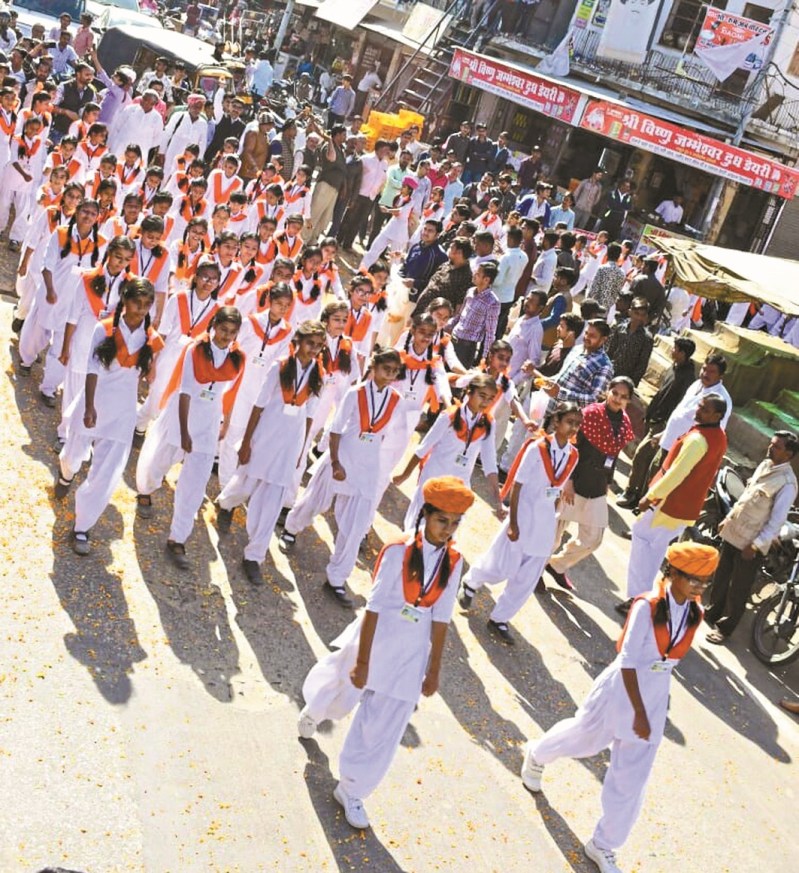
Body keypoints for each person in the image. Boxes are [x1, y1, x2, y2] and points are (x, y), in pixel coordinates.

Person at [521, 542, 720, 873]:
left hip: (655, 694)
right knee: (584, 739)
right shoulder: (647, 605)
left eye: (705, 580)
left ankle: (603, 844)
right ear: (673, 573)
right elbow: (627, 661)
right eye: (694, 578)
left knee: (632, 778)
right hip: (622, 689)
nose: (700, 586)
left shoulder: (695, 613)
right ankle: (537, 754)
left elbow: (667, 660)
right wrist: (639, 714)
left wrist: (654, 709)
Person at [297, 475, 475, 829]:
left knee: (385, 722)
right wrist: (363, 662)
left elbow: (442, 618)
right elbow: (375, 607)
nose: (448, 530)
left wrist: (433, 668)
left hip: (411, 650)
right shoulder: (398, 550)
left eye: (455, 523)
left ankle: (352, 789)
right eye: (442, 521)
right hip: (375, 638)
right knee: (340, 688)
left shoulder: (454, 562)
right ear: (425, 515)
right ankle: (313, 712)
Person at [279, 347, 407, 604]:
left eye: (394, 372)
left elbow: (389, 436)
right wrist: (335, 462)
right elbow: (336, 430)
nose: (389, 375)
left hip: (368, 465)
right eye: (386, 369)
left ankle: (337, 578)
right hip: (343, 456)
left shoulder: (396, 400)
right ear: (374, 367)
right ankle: (292, 527)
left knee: (357, 522)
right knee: (316, 499)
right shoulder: (355, 393)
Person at [54, 279, 164, 555]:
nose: (141, 309)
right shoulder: (102, 329)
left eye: (147, 304)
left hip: (123, 411)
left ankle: (82, 525)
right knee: (72, 457)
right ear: (124, 301)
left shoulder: (150, 337)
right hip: (94, 402)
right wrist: (90, 406)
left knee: (107, 472)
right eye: (136, 303)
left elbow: (147, 372)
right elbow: (92, 369)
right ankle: (66, 475)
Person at [459, 402, 582, 644]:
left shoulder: (573, 455)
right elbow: (519, 484)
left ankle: (500, 618)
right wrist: (513, 521)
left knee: (528, 575)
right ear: (556, 422)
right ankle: (472, 581)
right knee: (503, 563)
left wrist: (553, 519)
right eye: (569, 422)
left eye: (577, 424)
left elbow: (556, 490)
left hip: (544, 521)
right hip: (523, 514)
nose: (573, 428)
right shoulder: (537, 448)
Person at [135, 308, 245, 568]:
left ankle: (177, 538)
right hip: (181, 416)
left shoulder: (238, 358)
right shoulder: (194, 350)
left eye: (231, 333)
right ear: (213, 326)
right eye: (222, 330)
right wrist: (184, 433)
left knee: (195, 483)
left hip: (207, 422)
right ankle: (145, 491)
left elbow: (229, 395)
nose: (225, 336)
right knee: (157, 463)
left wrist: (225, 423)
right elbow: (184, 393)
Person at [621, 394, 728, 612]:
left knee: (643, 539)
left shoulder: (699, 440)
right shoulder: (719, 436)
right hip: (685, 507)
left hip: (670, 504)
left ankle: (637, 598)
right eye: (699, 406)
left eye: (704, 409)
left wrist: (650, 496)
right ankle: (645, 597)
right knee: (654, 547)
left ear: (717, 415)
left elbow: (676, 474)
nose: (698, 411)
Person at [704, 431, 799, 644]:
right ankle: (711, 613)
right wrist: (728, 519)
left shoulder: (787, 484)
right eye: (771, 444)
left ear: (788, 454)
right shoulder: (765, 465)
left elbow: (775, 522)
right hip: (735, 531)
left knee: (738, 588)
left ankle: (724, 629)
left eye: (776, 447)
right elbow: (745, 498)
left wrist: (755, 546)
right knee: (721, 576)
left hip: (751, 544)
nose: (770, 448)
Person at [544, 378, 635, 591]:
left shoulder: (625, 425)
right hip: (573, 481)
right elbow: (572, 447)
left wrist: (607, 483)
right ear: (607, 391)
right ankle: (536, 568)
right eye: (615, 393)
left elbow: (613, 455)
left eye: (623, 397)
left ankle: (557, 565)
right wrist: (568, 482)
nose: (617, 399)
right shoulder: (589, 415)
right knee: (552, 534)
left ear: (628, 401)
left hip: (597, 485)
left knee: (593, 538)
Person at [393, 373, 504, 530]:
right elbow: (424, 447)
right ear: (469, 392)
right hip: (434, 480)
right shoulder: (449, 416)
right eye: (482, 395)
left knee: (446, 531)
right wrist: (405, 474)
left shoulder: (488, 424)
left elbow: (490, 462)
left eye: (490, 398)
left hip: (459, 485)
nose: (485, 402)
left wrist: (498, 502)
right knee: (419, 528)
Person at [618, 337, 697, 508]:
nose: (672, 351)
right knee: (646, 460)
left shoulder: (688, 378)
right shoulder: (673, 368)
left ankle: (632, 492)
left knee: (640, 456)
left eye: (675, 348)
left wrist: (665, 426)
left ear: (682, 353)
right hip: (654, 419)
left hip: (663, 425)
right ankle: (637, 495)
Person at [447, 261, 501, 367]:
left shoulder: (492, 302)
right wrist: (446, 325)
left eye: (478, 274)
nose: (474, 275)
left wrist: (485, 357)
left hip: (466, 348)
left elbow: (490, 333)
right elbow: (459, 315)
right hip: (452, 339)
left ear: (486, 280)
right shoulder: (470, 291)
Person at [605, 298, 653, 387]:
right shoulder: (620, 327)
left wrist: (632, 384)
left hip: (625, 379)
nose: (639, 317)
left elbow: (642, 364)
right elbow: (610, 350)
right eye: (636, 313)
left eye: (642, 315)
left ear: (646, 316)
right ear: (630, 312)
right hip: (610, 371)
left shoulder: (646, 338)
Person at [493, 226, 529, 339]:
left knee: (490, 330)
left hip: (497, 296)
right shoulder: (524, 256)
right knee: (499, 328)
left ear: (511, 239)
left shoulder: (506, 257)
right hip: (509, 295)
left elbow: (497, 281)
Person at [588, 242, 625, 312]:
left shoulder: (602, 268)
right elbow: (617, 291)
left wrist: (587, 302)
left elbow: (594, 288)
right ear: (619, 256)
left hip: (595, 307)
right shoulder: (621, 273)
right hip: (608, 309)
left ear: (607, 253)